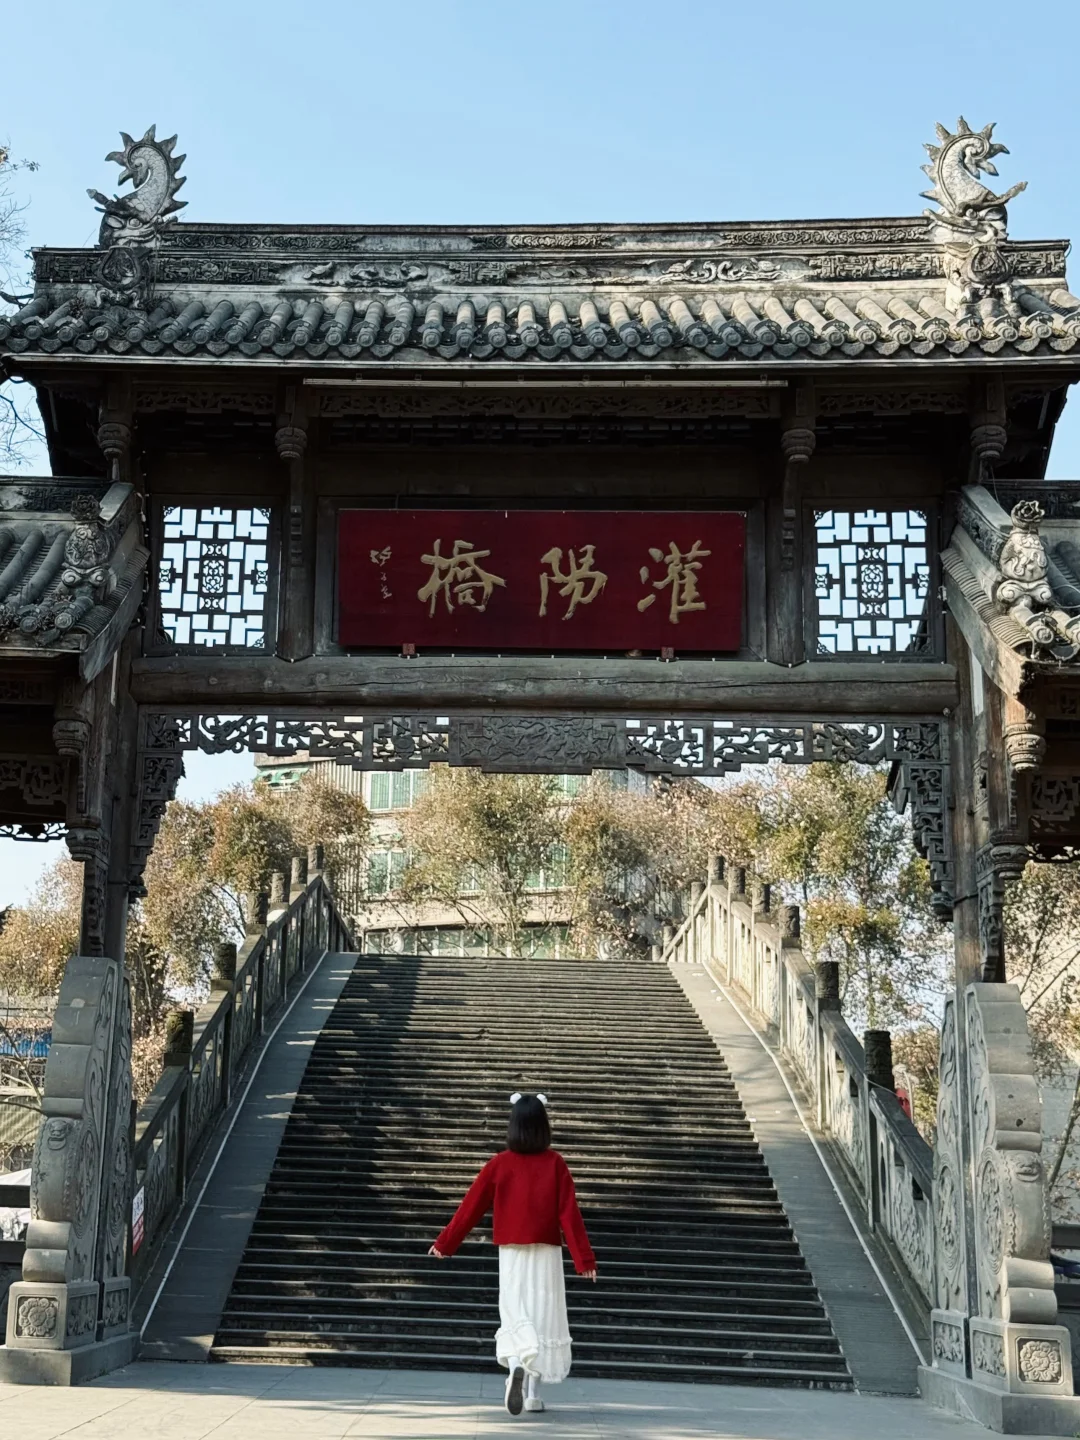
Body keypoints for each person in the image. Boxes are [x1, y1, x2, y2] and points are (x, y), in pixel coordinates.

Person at [428, 1091, 597, 1417]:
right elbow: (569, 1214)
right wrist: (584, 1259)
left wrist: (446, 1243)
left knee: (516, 1311)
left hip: (511, 1251)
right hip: (546, 1250)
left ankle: (516, 1363)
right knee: (542, 1315)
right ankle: (533, 1395)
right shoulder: (555, 1163)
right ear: (544, 1125)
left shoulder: (499, 1163)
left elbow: (471, 1207)